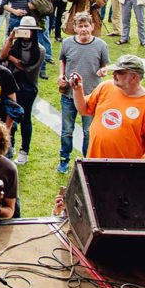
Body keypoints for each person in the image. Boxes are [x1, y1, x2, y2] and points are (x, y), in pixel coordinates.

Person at [71, 54, 145, 160]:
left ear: (134, 77)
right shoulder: (106, 87)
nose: (114, 74)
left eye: (119, 72)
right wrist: (77, 90)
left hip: (125, 171)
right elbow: (84, 109)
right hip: (94, 163)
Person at [56, 11, 110, 173]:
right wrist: (61, 75)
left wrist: (103, 71)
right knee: (67, 129)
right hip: (68, 95)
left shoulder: (101, 45)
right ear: (75, 28)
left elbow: (104, 65)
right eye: (80, 26)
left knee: (88, 131)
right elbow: (62, 60)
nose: (84, 29)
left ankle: (87, 161)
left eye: (87, 26)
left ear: (92, 27)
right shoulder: (67, 43)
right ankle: (64, 159)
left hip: (91, 95)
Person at [0, 16, 44, 164]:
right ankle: (9, 146)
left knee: (24, 118)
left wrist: (12, 60)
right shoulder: (14, 45)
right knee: (8, 117)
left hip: (27, 87)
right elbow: (2, 55)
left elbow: (26, 67)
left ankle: (25, 150)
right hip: (11, 85)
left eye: (28, 31)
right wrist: (10, 39)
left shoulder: (40, 50)